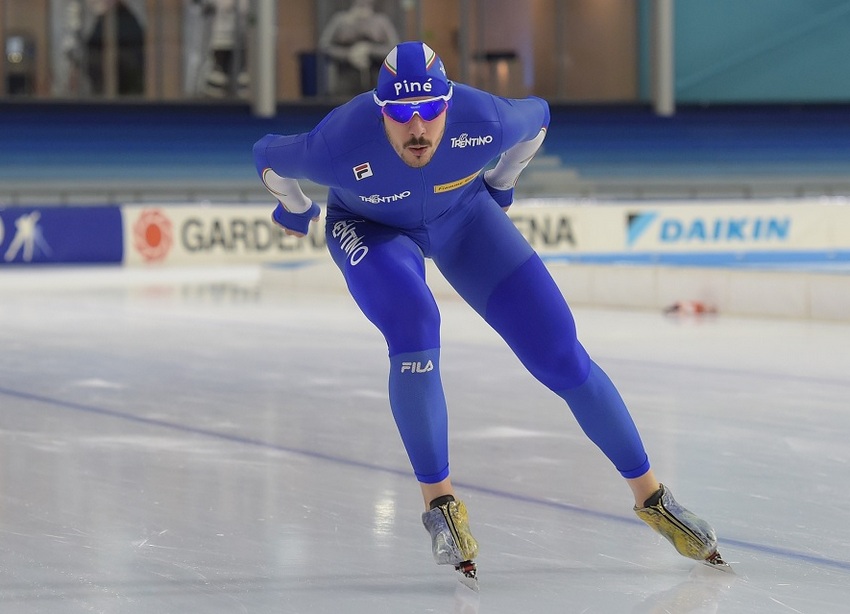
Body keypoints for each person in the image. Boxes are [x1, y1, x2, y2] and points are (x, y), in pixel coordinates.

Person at [253, 41, 725, 588]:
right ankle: (441, 504)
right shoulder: (336, 143)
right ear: (380, 111)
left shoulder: (485, 118)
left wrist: (502, 182)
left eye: (430, 111)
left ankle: (652, 497)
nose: (418, 129)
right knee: (415, 323)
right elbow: (268, 153)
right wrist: (297, 207)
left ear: (449, 104)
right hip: (372, 230)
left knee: (560, 352)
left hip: (463, 218)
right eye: (401, 116)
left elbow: (539, 118)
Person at [318, 0, 398, 96]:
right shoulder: (340, 21)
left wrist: (370, 50)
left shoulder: (382, 22)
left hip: (376, 83)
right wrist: (348, 55)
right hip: (345, 83)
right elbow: (324, 47)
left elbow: (394, 49)